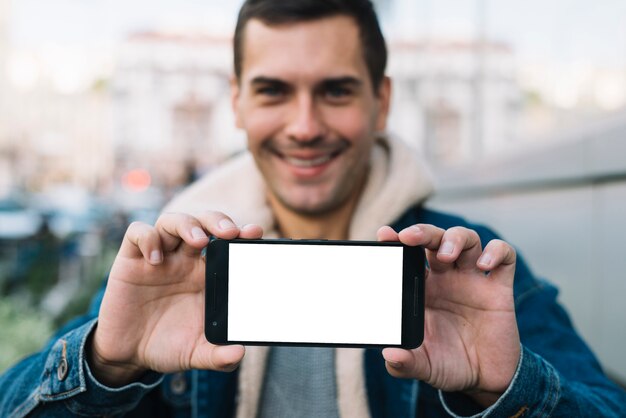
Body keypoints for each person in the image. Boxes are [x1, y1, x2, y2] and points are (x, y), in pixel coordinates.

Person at [1, 0, 625, 416]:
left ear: (381, 102)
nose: (304, 126)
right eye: (274, 91)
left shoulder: (464, 269)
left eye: (334, 91)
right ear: (238, 102)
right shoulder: (176, 262)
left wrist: (508, 387)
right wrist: (105, 363)